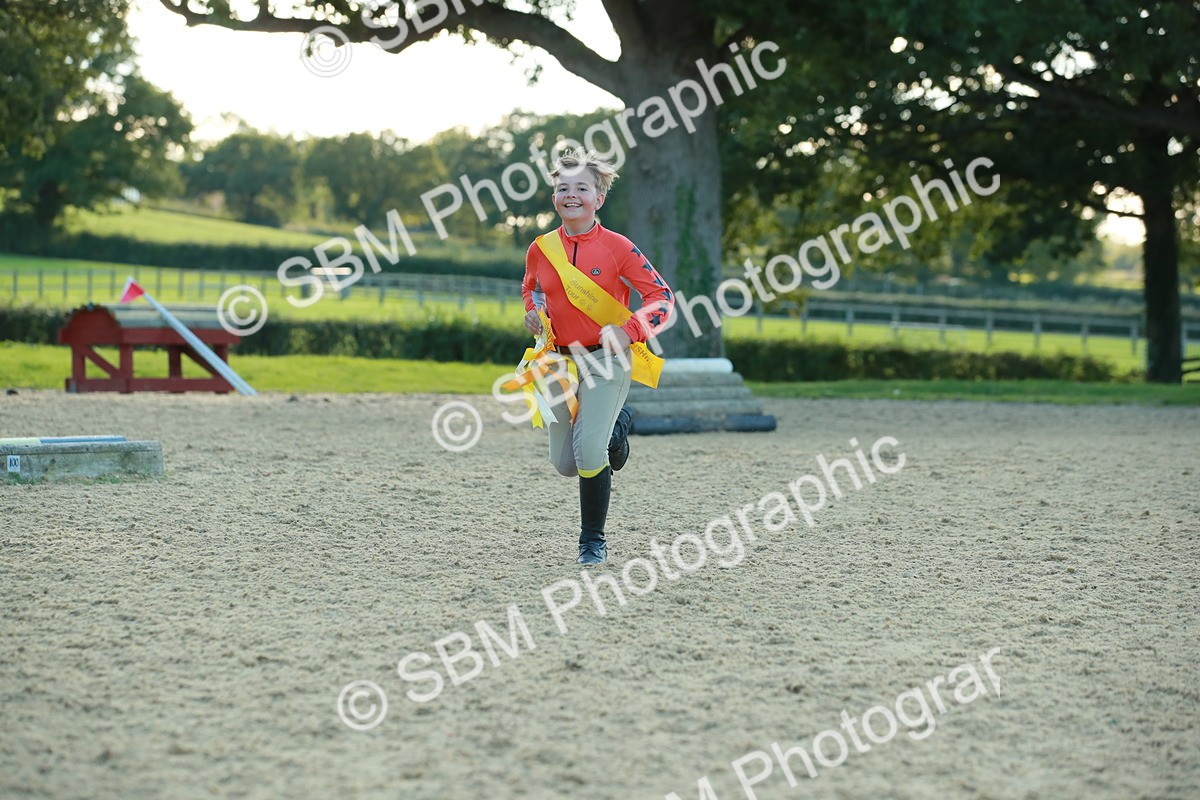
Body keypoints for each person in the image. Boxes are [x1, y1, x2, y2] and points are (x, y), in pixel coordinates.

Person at [520, 146, 675, 565]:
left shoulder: (618, 247)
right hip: (557, 362)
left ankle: (592, 542)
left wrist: (630, 331)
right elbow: (531, 288)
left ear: (598, 198)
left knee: (589, 455)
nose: (571, 195)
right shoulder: (540, 248)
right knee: (565, 464)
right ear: (554, 196)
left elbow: (663, 298)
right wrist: (532, 314)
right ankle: (617, 428)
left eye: (581, 188)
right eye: (562, 188)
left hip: (607, 360)